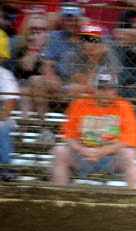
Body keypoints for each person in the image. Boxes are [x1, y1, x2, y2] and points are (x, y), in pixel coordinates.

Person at [51, 72, 136, 188]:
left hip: (112, 158)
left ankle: (133, 195)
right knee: (59, 151)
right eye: (101, 89)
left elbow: (130, 138)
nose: (106, 93)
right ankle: (59, 193)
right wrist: (82, 149)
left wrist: (103, 151)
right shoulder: (80, 103)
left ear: (115, 90)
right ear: (94, 89)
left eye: (110, 89)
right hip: (83, 156)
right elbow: (67, 135)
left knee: (129, 154)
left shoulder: (123, 106)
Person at [29, 5, 85, 144]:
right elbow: (47, 63)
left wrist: (79, 84)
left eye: (75, 19)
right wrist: (51, 77)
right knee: (36, 80)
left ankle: (72, 133)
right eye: (68, 19)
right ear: (63, 21)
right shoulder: (55, 36)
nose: (72, 23)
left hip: (81, 82)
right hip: (60, 80)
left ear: (81, 20)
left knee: (83, 91)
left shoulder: (88, 36)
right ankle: (45, 129)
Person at [7, 14, 49, 122]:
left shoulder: (52, 46)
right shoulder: (19, 47)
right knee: (26, 89)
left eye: (42, 29)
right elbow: (27, 66)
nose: (38, 32)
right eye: (34, 28)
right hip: (22, 83)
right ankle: (28, 126)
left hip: (47, 84)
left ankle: (42, 123)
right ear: (27, 30)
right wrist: (36, 47)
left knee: (36, 81)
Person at [0, 64, 19, 181]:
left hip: (1, 119)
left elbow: (8, 109)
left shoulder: (5, 75)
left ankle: (6, 171)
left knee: (2, 126)